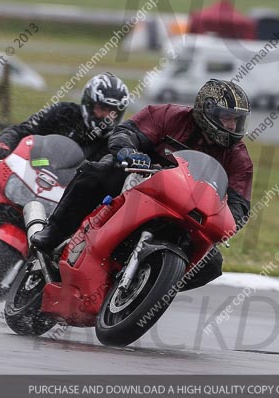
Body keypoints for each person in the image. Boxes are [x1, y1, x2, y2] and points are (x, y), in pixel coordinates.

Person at [31, 78, 254, 290]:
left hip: (186, 211)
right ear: (207, 110)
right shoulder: (168, 115)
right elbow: (127, 132)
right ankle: (55, 232)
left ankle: (151, 289)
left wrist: (225, 222)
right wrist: (128, 151)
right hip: (138, 181)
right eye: (227, 117)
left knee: (211, 265)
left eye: (237, 119)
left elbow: (239, 204)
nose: (232, 125)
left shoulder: (238, 157)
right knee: (96, 172)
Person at [0, 72, 130, 239]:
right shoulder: (62, 113)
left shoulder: (113, 143)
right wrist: (3, 147)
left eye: (112, 113)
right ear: (89, 103)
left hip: (67, 196)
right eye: (101, 108)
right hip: (33, 173)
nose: (106, 116)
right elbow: (22, 129)